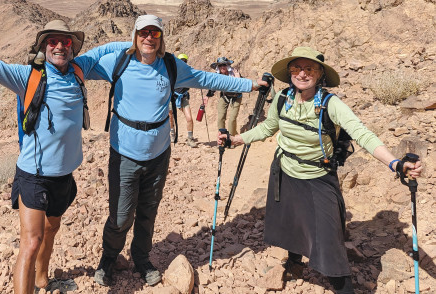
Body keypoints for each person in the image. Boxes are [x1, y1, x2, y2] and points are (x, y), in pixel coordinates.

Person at [0, 18, 128, 294]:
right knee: (31, 242)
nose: (60, 46)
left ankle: (43, 280)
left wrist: (138, 44)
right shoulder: (28, 77)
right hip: (34, 175)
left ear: (72, 47)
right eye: (52, 41)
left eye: (65, 41)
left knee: (51, 230)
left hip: (63, 175)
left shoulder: (79, 69)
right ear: (43, 46)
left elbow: (103, 51)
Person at [217, 47, 423, 294]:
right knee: (292, 221)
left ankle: (343, 288)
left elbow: (362, 134)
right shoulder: (283, 99)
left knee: (329, 241)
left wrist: (395, 164)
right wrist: (236, 139)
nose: (302, 74)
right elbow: (268, 128)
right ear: (289, 72)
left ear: (320, 74)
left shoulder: (330, 104)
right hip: (284, 170)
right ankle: (294, 263)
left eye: (309, 68)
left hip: (318, 178)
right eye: (296, 68)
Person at [88, 15, 269, 287]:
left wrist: (250, 85)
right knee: (121, 215)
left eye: (155, 33)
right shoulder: (118, 62)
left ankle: (141, 258)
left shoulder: (171, 66)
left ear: (161, 38)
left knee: (148, 210)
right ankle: (108, 259)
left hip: (159, 154)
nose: (149, 37)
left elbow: (210, 79)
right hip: (124, 153)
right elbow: (79, 68)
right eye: (143, 32)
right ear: (135, 35)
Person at [204, 56, 242, 135]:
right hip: (225, 96)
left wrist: (239, 79)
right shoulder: (217, 76)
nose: (222, 67)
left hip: (236, 97)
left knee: (232, 119)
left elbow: (243, 84)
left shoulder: (235, 73)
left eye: (224, 65)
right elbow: (213, 87)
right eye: (220, 65)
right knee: (221, 117)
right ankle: (223, 137)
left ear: (227, 65)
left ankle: (232, 138)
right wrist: (207, 96)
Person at [168, 53, 197, 147]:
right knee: (171, 117)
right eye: (181, 61)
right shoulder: (172, 71)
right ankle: (172, 134)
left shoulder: (189, 72)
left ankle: (190, 139)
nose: (183, 62)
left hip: (183, 97)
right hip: (172, 97)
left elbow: (196, 78)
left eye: (184, 61)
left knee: (189, 118)